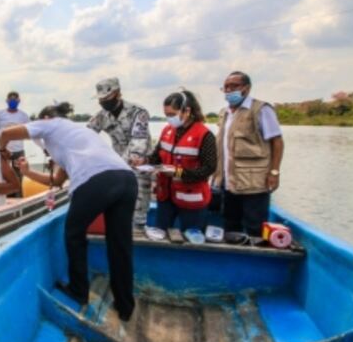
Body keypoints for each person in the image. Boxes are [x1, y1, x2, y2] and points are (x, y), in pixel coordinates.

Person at [0, 102, 137, 321]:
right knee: (120, 245)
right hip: (126, 179)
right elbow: (57, 180)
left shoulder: (50, 124)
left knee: (73, 234)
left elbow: (6, 133)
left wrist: (1, 149)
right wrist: (27, 172)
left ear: (43, 119)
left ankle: (79, 290)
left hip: (96, 180)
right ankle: (125, 305)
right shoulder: (77, 133)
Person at [213, 71, 284, 236]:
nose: (229, 90)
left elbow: (277, 141)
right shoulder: (225, 113)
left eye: (234, 86)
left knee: (254, 225)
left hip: (254, 183)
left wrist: (274, 172)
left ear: (247, 88)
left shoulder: (260, 110)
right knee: (230, 223)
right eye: (226, 87)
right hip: (229, 181)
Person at [136, 90, 217, 231]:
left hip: (191, 200)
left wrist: (177, 173)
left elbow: (208, 169)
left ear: (187, 111)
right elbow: (157, 156)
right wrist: (144, 161)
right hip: (165, 197)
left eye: (172, 115)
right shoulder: (167, 131)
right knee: (160, 233)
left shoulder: (205, 135)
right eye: (166, 115)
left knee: (192, 237)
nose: (169, 118)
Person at [87, 77, 152, 226]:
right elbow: (85, 135)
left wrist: (113, 164)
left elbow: (138, 144)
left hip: (138, 167)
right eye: (100, 99)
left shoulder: (138, 112)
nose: (103, 101)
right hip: (117, 169)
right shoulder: (101, 116)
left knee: (138, 211)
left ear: (117, 93)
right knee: (118, 209)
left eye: (106, 97)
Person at [0, 91, 30, 191]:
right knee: (3, 176)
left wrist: (44, 148)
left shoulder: (24, 116)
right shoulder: (0, 114)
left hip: (18, 151)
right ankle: (5, 199)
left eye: (15, 99)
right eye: (10, 99)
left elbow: (33, 133)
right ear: (7, 101)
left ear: (19, 101)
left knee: (19, 176)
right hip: (3, 152)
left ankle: (19, 198)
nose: (13, 101)